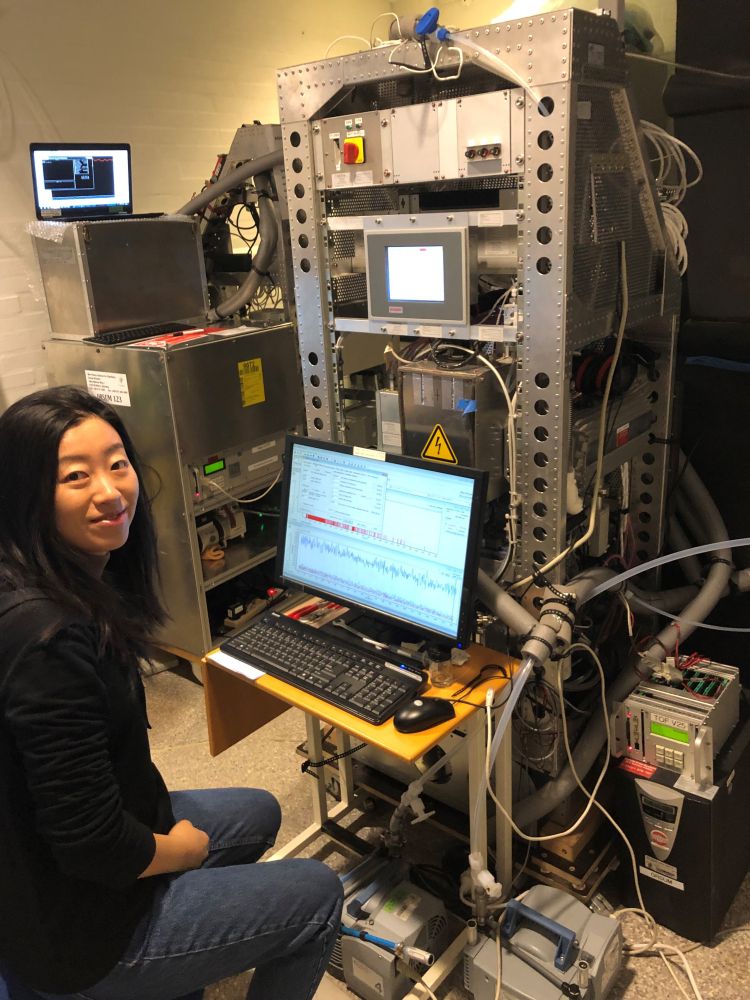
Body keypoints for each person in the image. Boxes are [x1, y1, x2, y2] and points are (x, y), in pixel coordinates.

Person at [0, 386, 343, 1000]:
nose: (110, 492)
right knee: (318, 894)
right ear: (25, 491)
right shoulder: (49, 642)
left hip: (58, 862)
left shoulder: (38, 578)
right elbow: (91, 845)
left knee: (260, 811)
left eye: (117, 464)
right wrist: (177, 853)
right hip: (80, 936)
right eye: (75, 476)